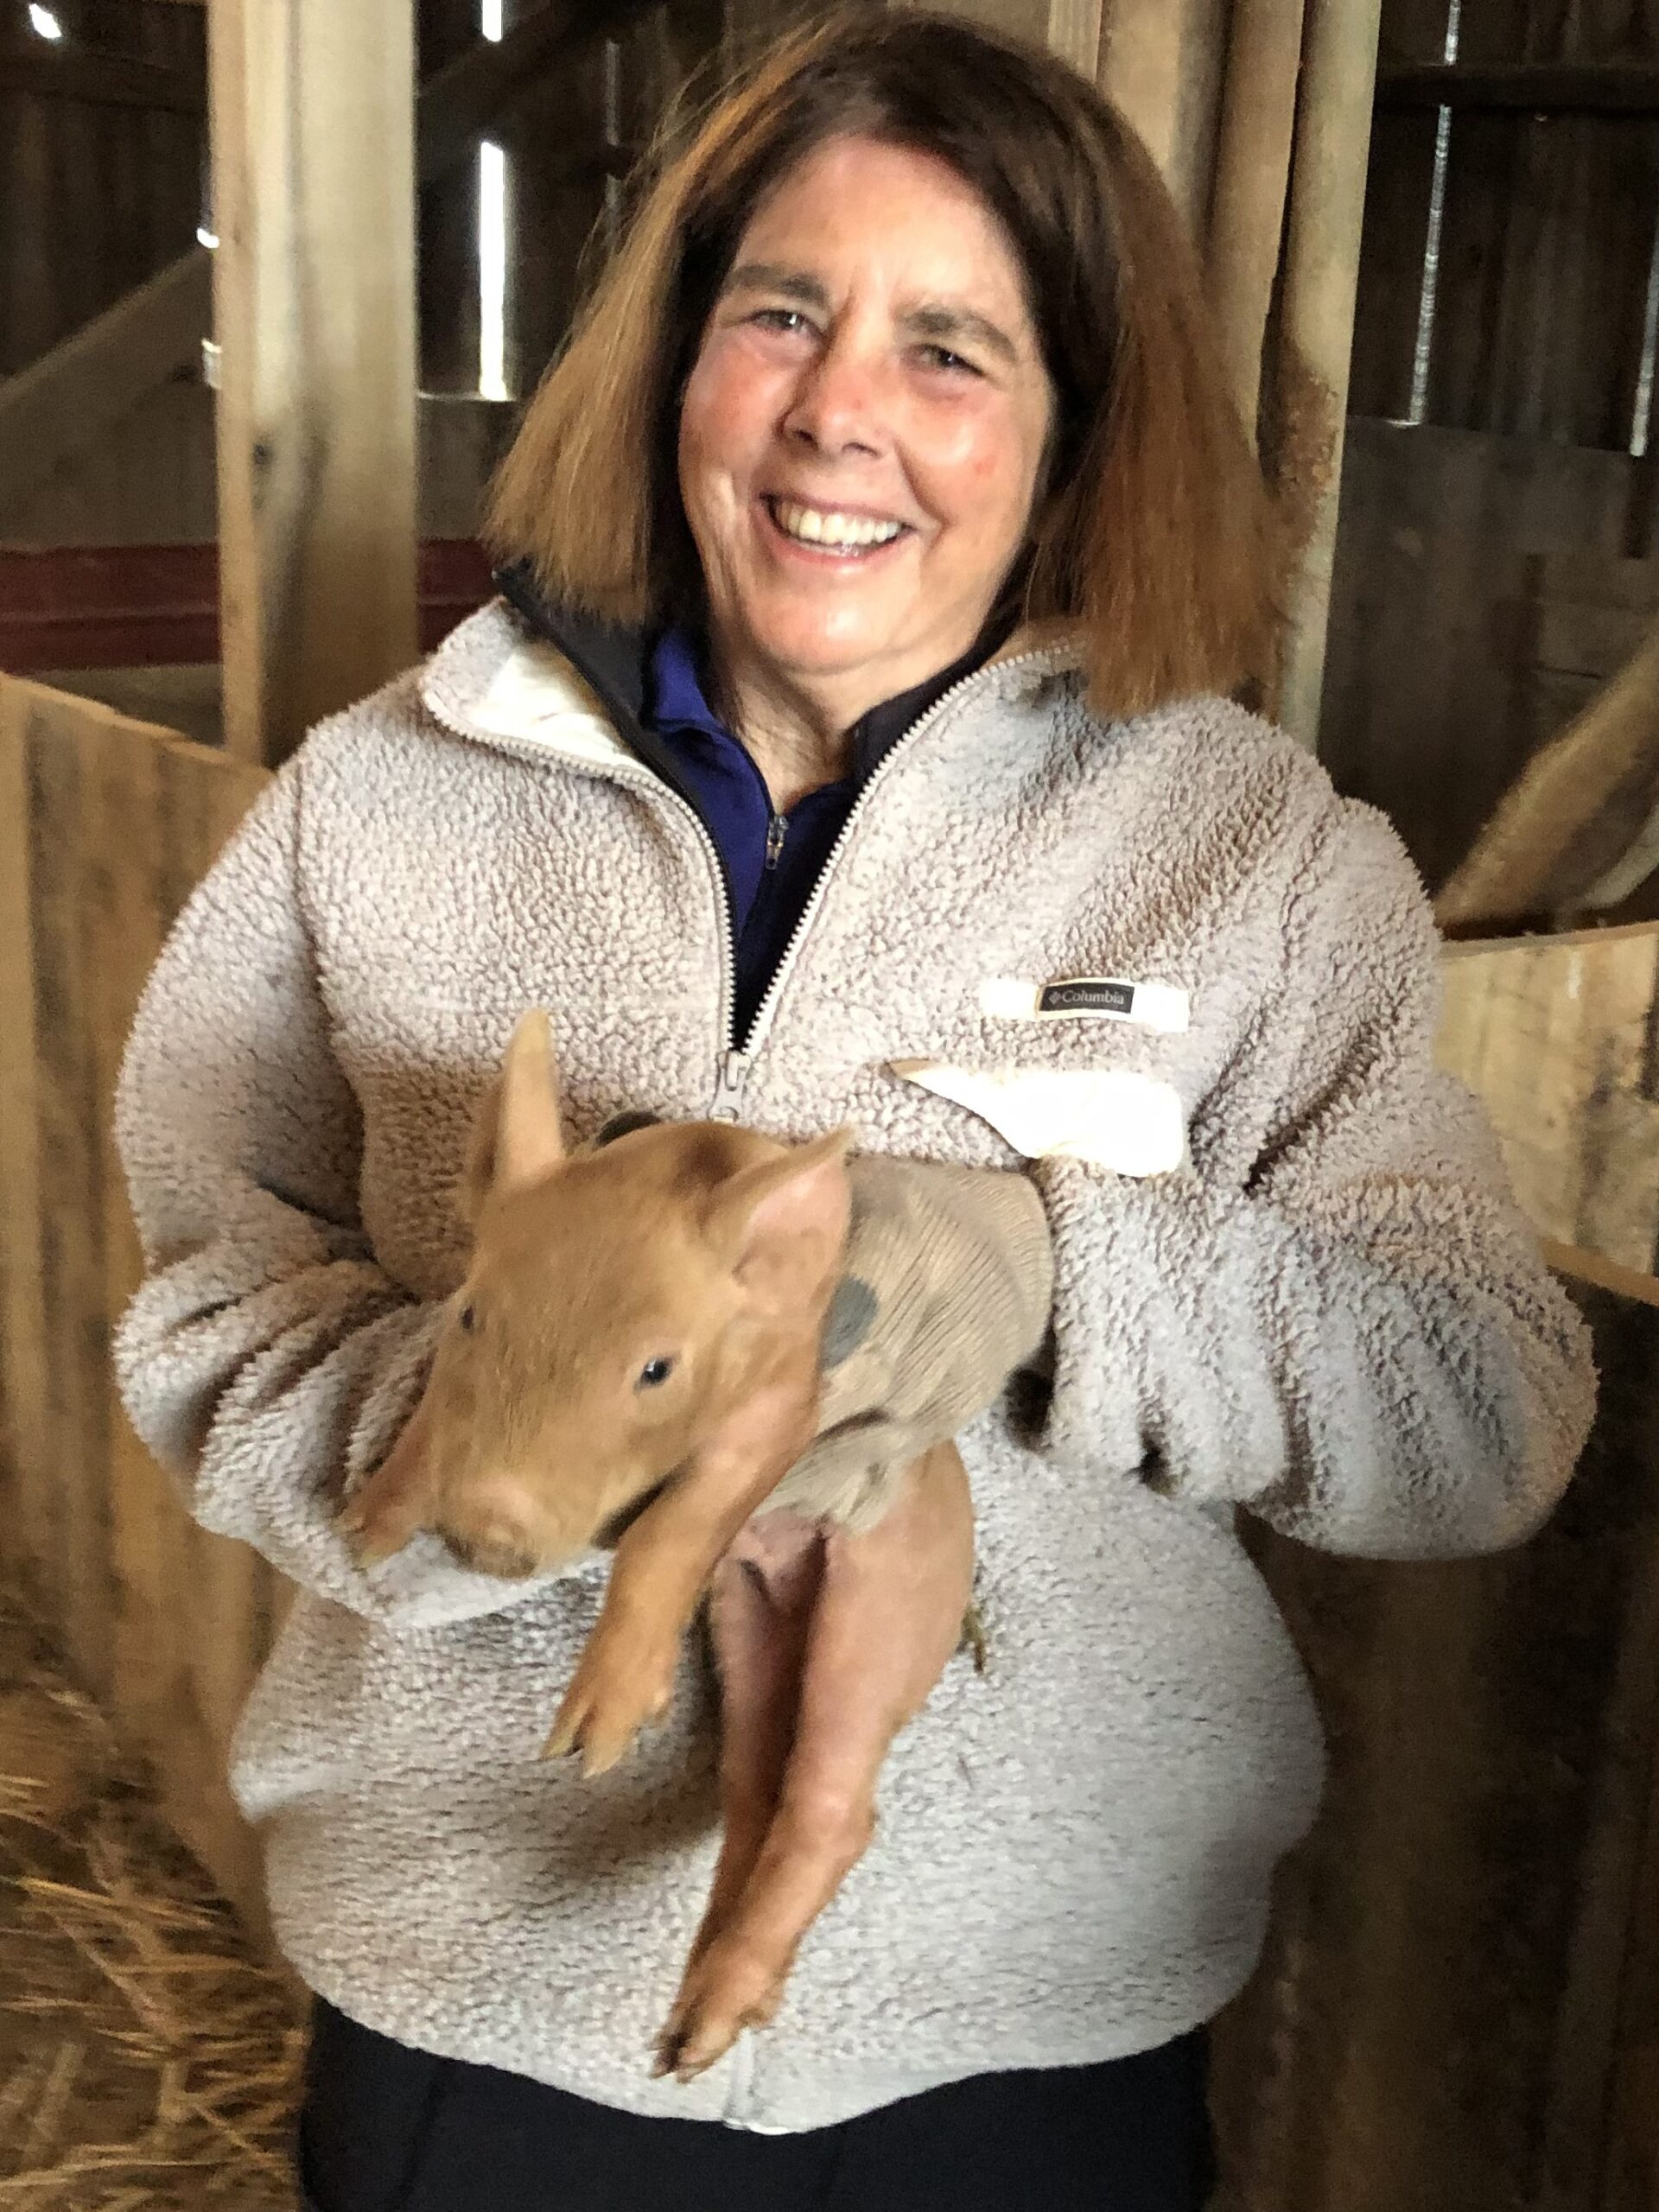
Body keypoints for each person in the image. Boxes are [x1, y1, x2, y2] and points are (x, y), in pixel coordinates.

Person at [110, 11, 1597, 2209]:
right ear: (675, 361)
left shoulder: (1253, 854)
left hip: (1028, 2047)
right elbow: (204, 1303)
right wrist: (520, 1435)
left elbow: (1484, 1407)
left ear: (1080, 431)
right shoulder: (380, 803)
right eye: (780, 312)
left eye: (954, 349)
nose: (839, 415)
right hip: (480, 2009)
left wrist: (1048, 1266)